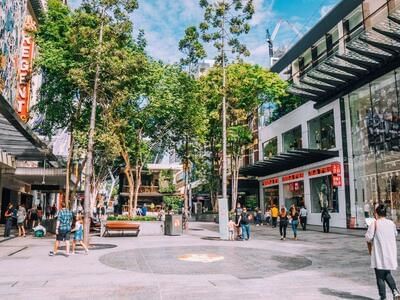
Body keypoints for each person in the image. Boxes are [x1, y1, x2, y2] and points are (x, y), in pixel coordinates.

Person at [365, 204, 400, 300]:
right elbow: (395, 234)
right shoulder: (391, 223)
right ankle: (395, 292)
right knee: (387, 273)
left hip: (379, 254)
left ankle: (383, 297)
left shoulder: (375, 224)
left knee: (380, 276)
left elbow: (368, 237)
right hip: (390, 253)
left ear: (376, 214)